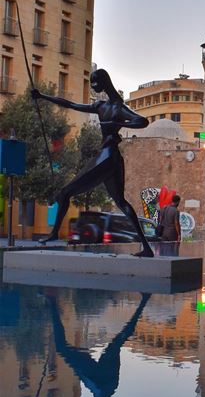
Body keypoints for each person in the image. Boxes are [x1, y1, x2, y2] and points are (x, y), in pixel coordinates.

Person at [32, 68, 154, 257]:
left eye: (96, 83)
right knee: (121, 201)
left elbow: (142, 121)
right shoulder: (100, 106)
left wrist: (119, 124)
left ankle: (54, 233)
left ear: (105, 82)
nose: (94, 86)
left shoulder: (118, 108)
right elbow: (70, 104)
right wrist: (42, 96)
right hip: (112, 158)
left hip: (107, 156)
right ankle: (146, 248)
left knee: (65, 193)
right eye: (92, 83)